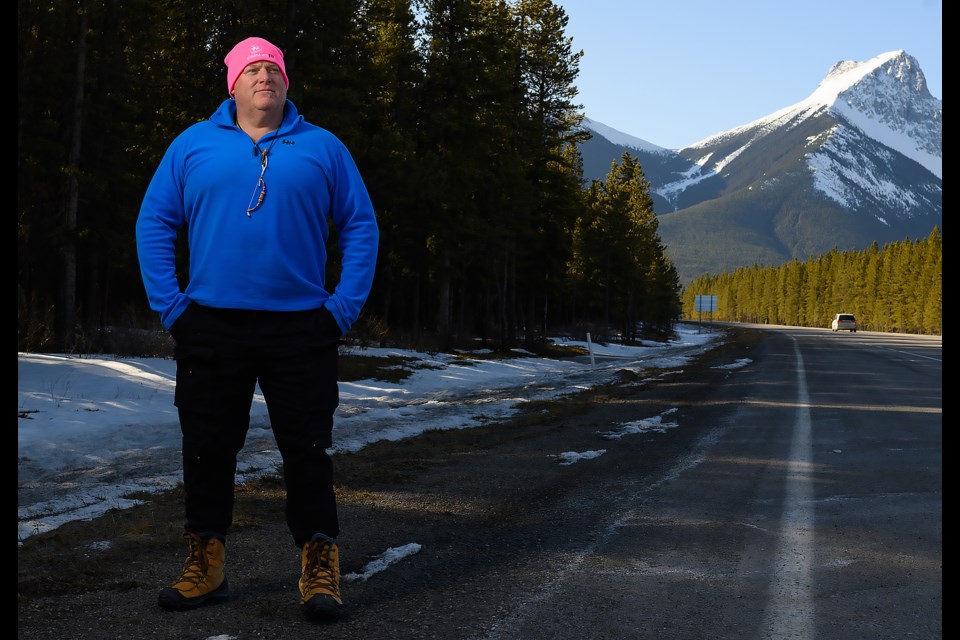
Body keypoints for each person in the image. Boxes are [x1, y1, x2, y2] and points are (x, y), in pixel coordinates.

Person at [135, 36, 379, 621]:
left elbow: (360, 227)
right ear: (233, 83)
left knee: (308, 450)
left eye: (274, 68)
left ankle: (319, 566)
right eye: (252, 69)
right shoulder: (193, 145)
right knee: (208, 448)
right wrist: (172, 308)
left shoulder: (323, 147)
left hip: (302, 329)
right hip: (210, 326)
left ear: (287, 82)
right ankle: (207, 562)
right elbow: (154, 223)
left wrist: (340, 309)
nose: (264, 75)